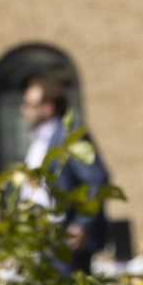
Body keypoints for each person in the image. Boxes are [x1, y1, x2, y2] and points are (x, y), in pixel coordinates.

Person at [17, 75, 112, 270]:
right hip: (41, 239)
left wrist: (82, 225)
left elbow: (96, 180)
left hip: (67, 240)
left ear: (48, 107)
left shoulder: (69, 136)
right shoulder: (38, 141)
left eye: (29, 104)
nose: (23, 110)